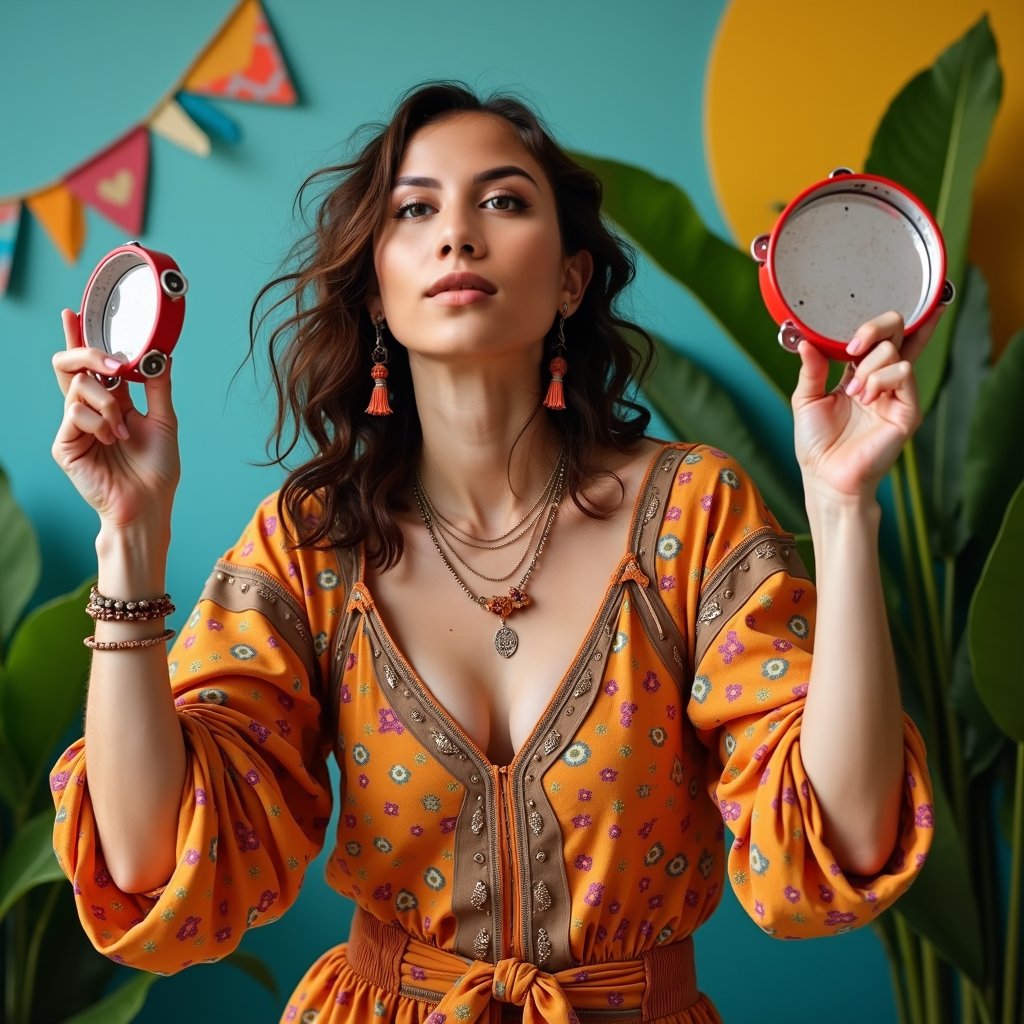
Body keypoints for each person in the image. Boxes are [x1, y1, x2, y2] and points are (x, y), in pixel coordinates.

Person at [50, 82, 936, 1024]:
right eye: (415, 209)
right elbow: (151, 864)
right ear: (378, 287)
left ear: (570, 278)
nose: (457, 235)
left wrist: (843, 510)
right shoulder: (310, 544)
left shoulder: (694, 510)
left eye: (503, 201)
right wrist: (130, 541)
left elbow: (841, 838)